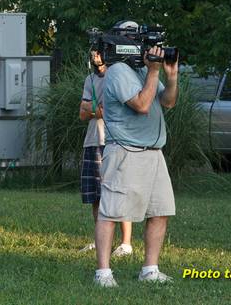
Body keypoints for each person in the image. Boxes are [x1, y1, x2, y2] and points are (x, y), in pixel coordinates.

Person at [94, 21, 179, 287]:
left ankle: (150, 269)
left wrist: (171, 75)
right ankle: (103, 273)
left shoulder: (144, 69)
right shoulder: (118, 71)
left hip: (154, 152)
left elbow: (168, 102)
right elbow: (142, 105)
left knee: (160, 210)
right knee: (111, 212)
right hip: (126, 151)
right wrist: (154, 71)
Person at [78, 50, 133, 257]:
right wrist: (96, 108)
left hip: (113, 140)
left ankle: (125, 243)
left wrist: (93, 108)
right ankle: (100, 240)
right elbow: (82, 113)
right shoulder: (89, 79)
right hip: (92, 141)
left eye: (99, 52)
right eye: (92, 53)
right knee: (95, 196)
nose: (95, 56)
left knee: (117, 192)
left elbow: (109, 109)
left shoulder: (117, 77)